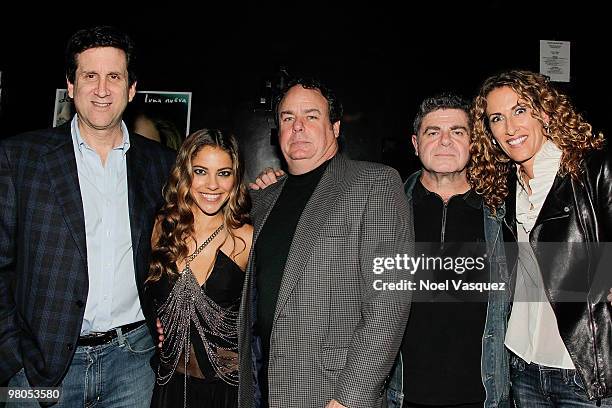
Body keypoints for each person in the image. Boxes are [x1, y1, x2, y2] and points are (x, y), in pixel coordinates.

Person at [0, 26, 175, 406]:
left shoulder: (161, 164)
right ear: (71, 85)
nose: (101, 89)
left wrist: (266, 188)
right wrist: (11, 356)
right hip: (37, 374)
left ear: (131, 89)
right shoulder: (20, 158)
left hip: (131, 364)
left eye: (114, 76)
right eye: (89, 76)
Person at [238, 77, 413, 408]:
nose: (298, 127)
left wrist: (350, 397)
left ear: (335, 127)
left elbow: (390, 300)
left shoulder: (376, 183)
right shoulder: (263, 199)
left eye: (311, 116)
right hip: (263, 389)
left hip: (330, 391)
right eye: (288, 118)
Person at [469, 69, 612, 406]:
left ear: (545, 112)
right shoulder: (504, 190)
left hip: (583, 369)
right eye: (496, 118)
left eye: (520, 110)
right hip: (523, 367)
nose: (510, 128)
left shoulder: (591, 170)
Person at [386, 93, 511, 408]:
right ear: (415, 143)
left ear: (474, 143)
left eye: (457, 132)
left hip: (484, 396)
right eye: (433, 132)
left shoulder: (505, 211)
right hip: (402, 395)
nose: (444, 141)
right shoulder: (384, 208)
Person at [146, 129, 253, 407]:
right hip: (169, 383)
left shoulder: (246, 237)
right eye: (201, 171)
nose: (213, 185)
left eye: (224, 173)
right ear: (185, 173)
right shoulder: (162, 228)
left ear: (235, 177)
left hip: (225, 390)